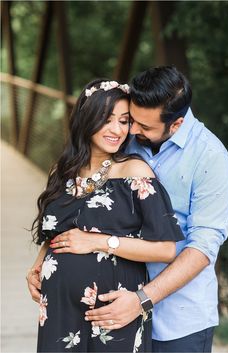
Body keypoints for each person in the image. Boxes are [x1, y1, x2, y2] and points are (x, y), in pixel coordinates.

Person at [80, 67, 228, 352]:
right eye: (132, 120)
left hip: (178, 322)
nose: (132, 130)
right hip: (115, 310)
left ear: (175, 124)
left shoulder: (211, 158)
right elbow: (83, 196)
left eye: (145, 127)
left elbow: (202, 249)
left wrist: (141, 299)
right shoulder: (127, 138)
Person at [27, 78, 184, 352]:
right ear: (87, 119)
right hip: (59, 309)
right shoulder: (62, 171)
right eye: (106, 119)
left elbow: (166, 248)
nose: (117, 130)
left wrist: (99, 241)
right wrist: (39, 265)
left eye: (124, 121)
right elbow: (56, 232)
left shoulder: (135, 172)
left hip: (113, 310)